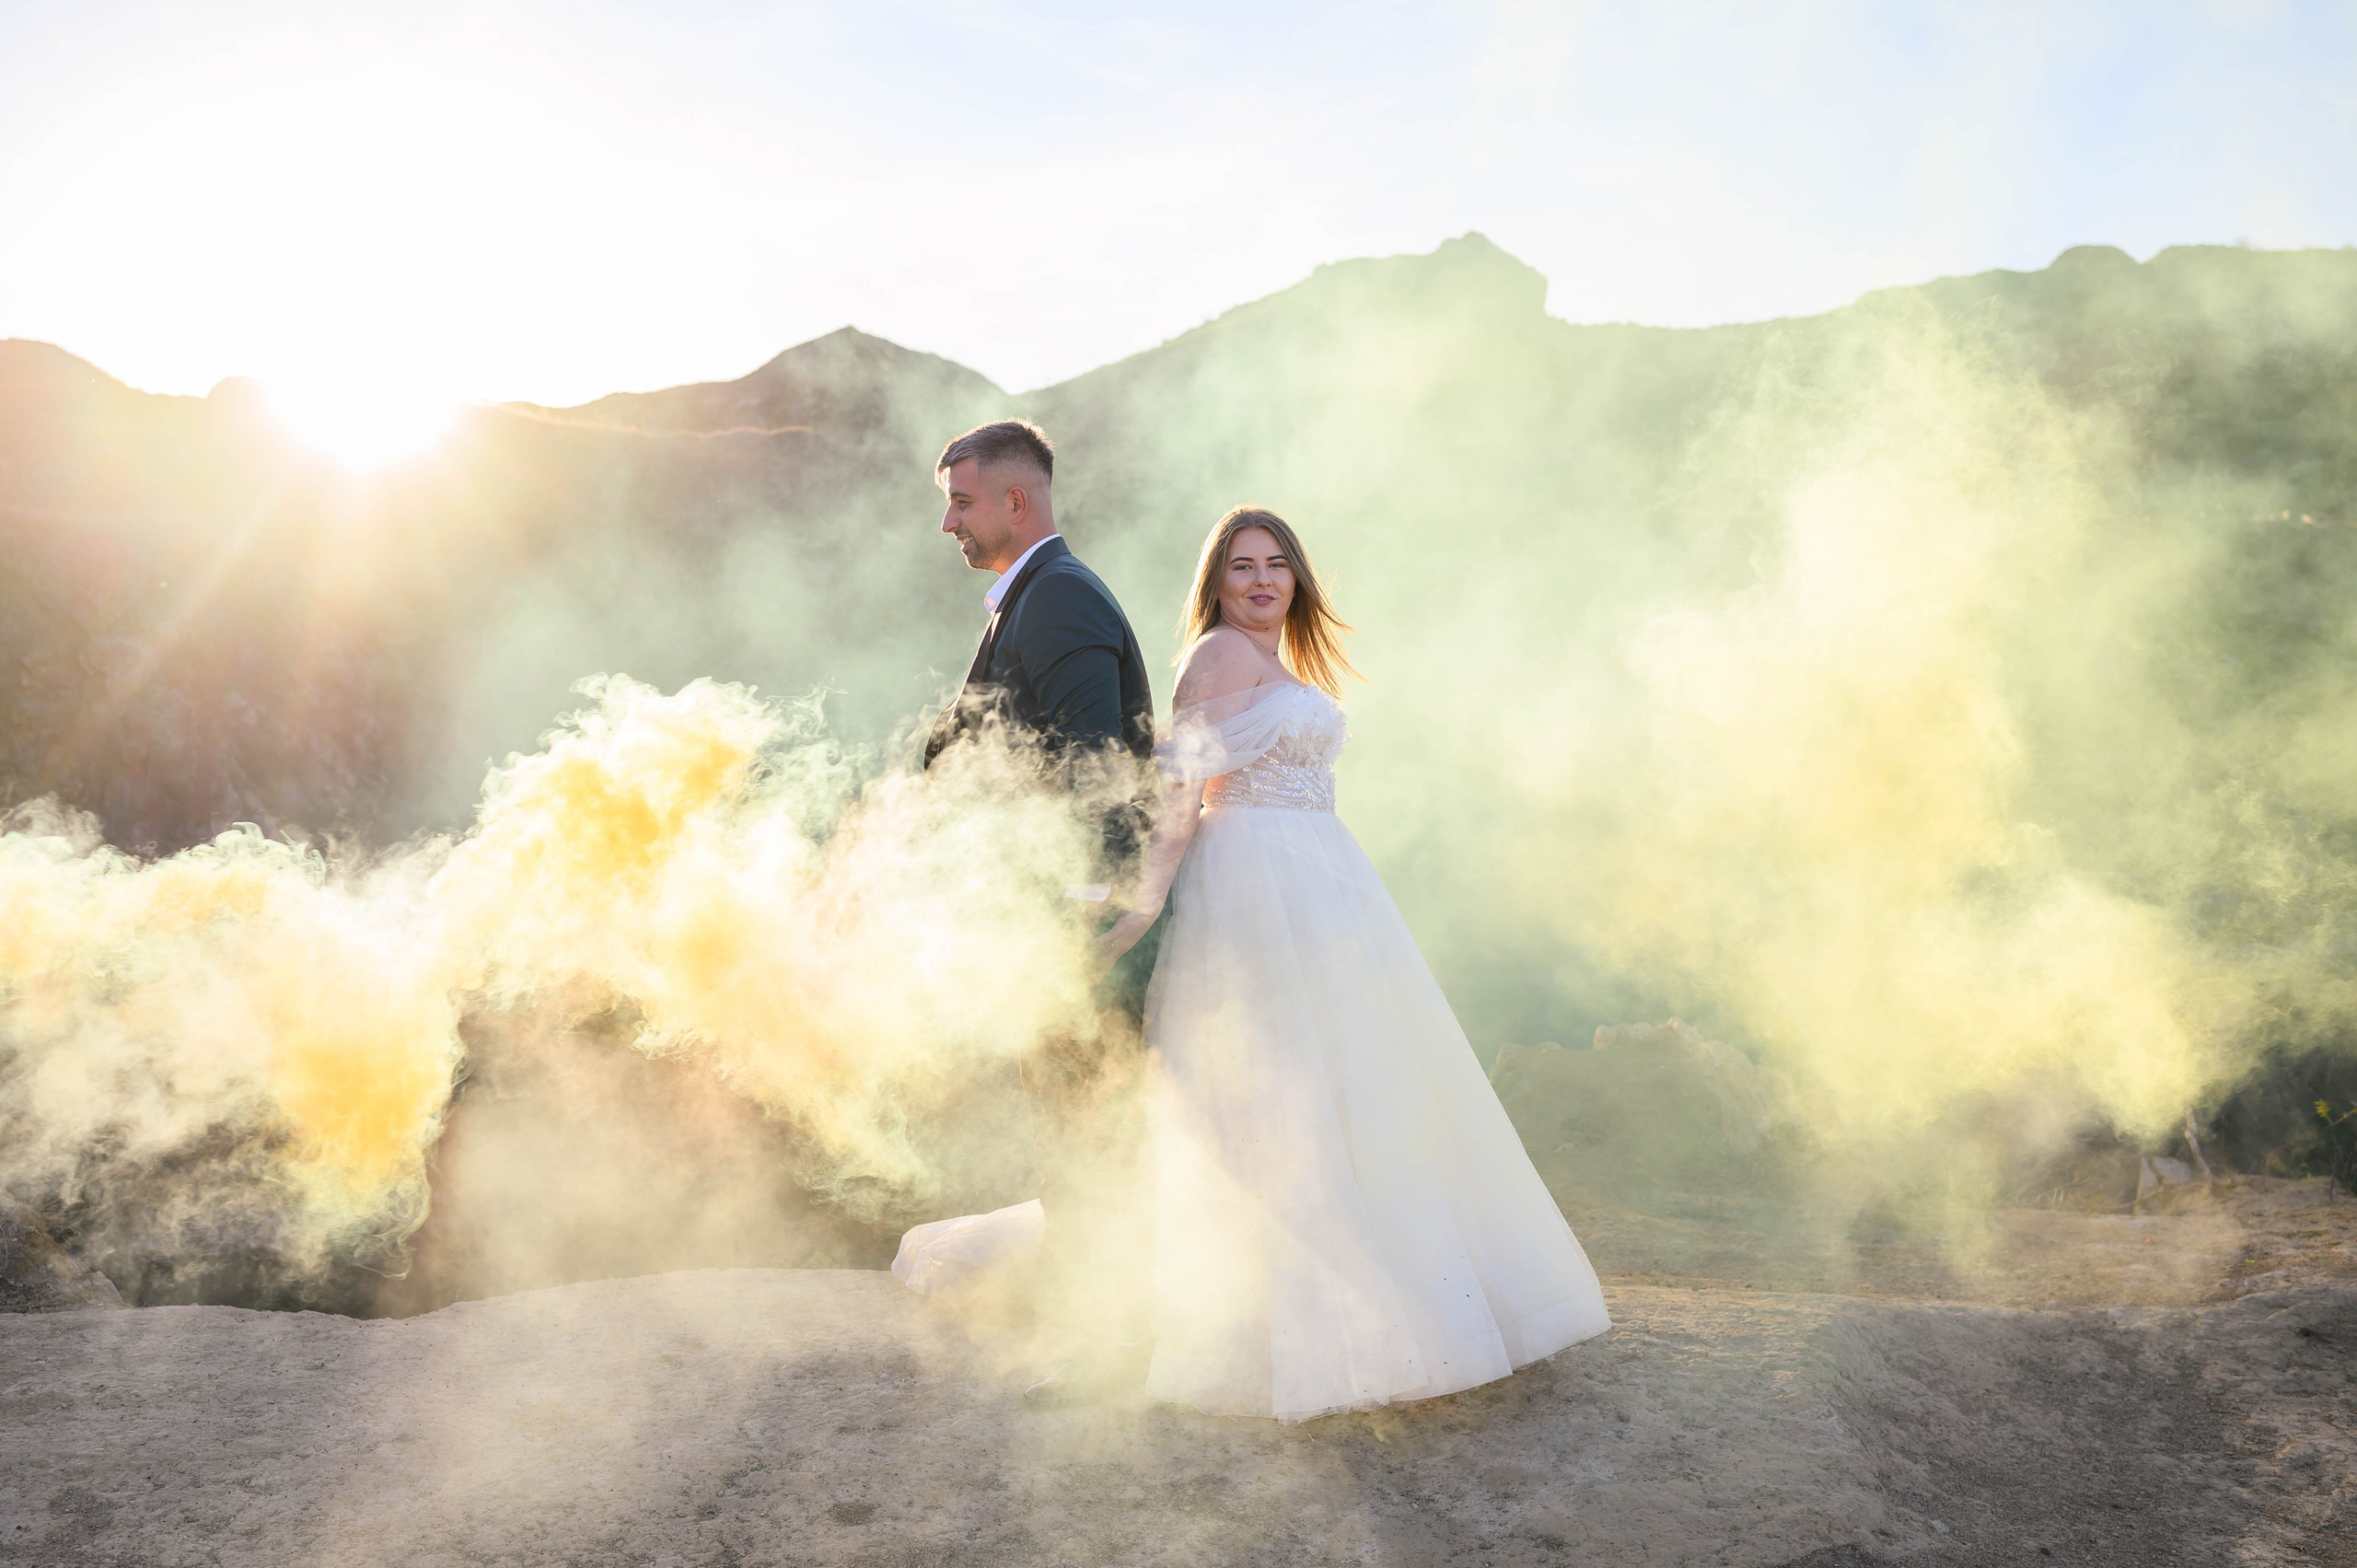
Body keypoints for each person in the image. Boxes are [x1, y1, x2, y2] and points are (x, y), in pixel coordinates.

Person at [1092, 505, 1612, 1423]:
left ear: (1297, 577)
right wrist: (1143, 900)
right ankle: (1297, 1330)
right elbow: (1178, 790)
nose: (1260, 580)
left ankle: (1410, 1306)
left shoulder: (1281, 660)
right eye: (1241, 567)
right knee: (1290, 1091)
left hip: (1322, 872)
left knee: (1366, 1081)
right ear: (1214, 585)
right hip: (1252, 880)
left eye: (1276, 564)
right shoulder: (1214, 655)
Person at [920, 419, 1161, 1407]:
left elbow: (1098, 772)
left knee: (1089, 1136)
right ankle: (1105, 1333)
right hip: (1056, 922)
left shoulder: (1055, 597)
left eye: (961, 501)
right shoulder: (1030, 595)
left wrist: (1084, 920)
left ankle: (1114, 1349)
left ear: (1015, 502)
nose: (949, 521)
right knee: (1074, 1132)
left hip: (1082, 932)